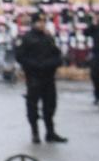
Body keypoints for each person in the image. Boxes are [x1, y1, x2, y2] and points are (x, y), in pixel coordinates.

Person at [13, 12, 67, 143]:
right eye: (39, 22)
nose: (42, 24)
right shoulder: (27, 38)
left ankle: (50, 132)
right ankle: (35, 133)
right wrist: (35, 65)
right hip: (34, 78)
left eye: (44, 22)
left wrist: (53, 63)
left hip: (48, 77)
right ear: (34, 23)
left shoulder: (48, 37)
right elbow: (20, 56)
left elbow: (57, 54)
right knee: (33, 106)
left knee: (50, 106)